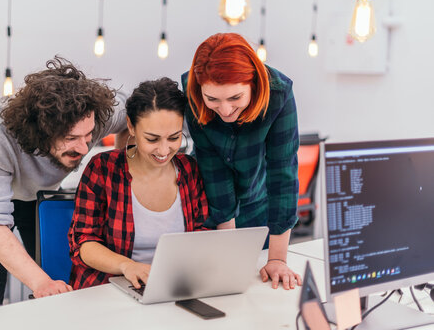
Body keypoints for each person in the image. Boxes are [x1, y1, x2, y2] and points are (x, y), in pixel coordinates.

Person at [0, 56, 129, 310]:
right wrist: (40, 283)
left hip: (38, 200)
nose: (84, 147)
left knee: (63, 281)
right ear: (41, 131)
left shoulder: (97, 116)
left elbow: (136, 108)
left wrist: (124, 167)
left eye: (89, 135)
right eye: (71, 138)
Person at [182, 33, 302, 290]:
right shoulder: (191, 89)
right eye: (212, 99)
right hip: (208, 207)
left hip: (259, 206)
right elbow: (212, 168)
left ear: (254, 83)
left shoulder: (278, 94)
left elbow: (283, 173)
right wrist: (230, 252)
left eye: (235, 98)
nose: (224, 110)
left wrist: (278, 259)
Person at [68, 77, 208, 290]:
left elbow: (201, 231)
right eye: (152, 139)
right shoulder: (103, 168)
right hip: (108, 288)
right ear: (131, 127)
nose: (163, 151)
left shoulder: (189, 169)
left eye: (174, 138)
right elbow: (84, 243)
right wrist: (127, 266)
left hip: (173, 287)